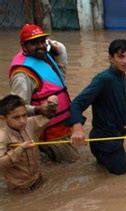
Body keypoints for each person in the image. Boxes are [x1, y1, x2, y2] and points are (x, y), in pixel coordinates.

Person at [8, 24, 79, 163]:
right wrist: (39, 109)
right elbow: (16, 109)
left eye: (42, 41)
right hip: (49, 133)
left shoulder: (44, 56)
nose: (40, 46)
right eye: (34, 43)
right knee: (72, 165)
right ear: (24, 47)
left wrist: (55, 49)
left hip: (62, 125)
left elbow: (60, 73)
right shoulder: (22, 75)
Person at [69, 39, 126, 175]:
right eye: (120, 57)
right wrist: (77, 128)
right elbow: (76, 104)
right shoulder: (103, 79)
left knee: (106, 172)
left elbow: (119, 103)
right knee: (123, 176)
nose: (125, 61)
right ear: (111, 58)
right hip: (105, 141)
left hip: (115, 137)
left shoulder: (121, 75)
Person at [0, 94, 57, 193]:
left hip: (38, 179)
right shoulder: (3, 136)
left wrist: (52, 106)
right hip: (20, 188)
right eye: (16, 117)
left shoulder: (29, 124)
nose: (22, 121)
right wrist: (20, 149)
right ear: (3, 119)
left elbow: (48, 116)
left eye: (24, 115)